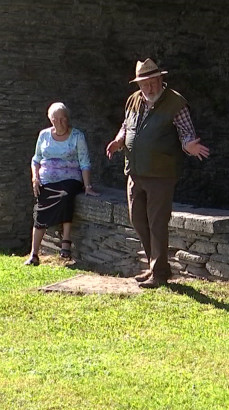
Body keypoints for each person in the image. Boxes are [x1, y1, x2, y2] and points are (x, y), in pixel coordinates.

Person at [106, 58, 210, 288]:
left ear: (161, 79)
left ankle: (159, 273)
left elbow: (186, 133)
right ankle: (156, 266)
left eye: (153, 82)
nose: (149, 88)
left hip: (161, 174)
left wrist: (189, 145)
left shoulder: (175, 102)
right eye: (144, 83)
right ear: (138, 84)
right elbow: (126, 126)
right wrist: (118, 141)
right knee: (137, 220)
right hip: (135, 171)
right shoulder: (133, 101)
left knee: (157, 223)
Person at [24, 102, 99, 266]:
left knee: (65, 196)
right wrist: (35, 177)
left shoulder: (77, 136)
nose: (60, 123)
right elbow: (36, 159)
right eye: (56, 119)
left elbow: (84, 162)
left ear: (68, 119)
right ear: (50, 120)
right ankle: (34, 254)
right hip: (47, 179)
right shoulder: (44, 135)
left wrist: (87, 186)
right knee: (40, 208)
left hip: (70, 177)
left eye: (63, 119)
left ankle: (66, 241)